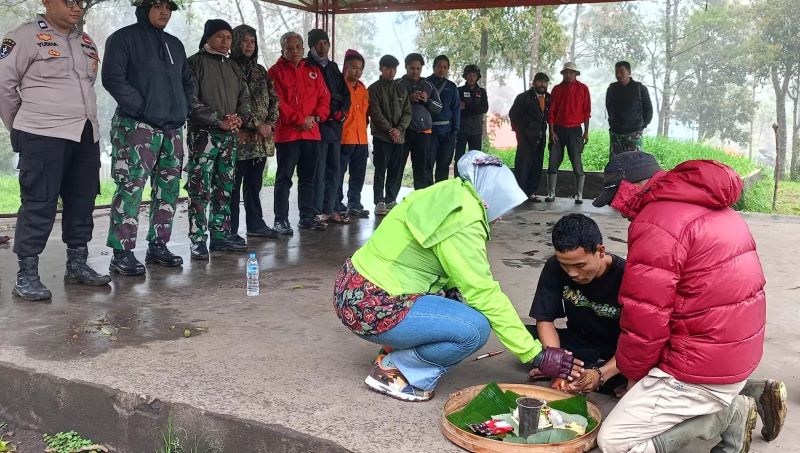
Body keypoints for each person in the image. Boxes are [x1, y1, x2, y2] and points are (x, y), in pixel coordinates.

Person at [333, 150, 582, 402]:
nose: (502, 215)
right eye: (501, 203)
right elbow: (484, 293)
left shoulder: (449, 193)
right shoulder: (464, 216)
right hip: (374, 304)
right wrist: (536, 355)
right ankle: (398, 371)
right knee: (473, 329)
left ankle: (393, 349)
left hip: (354, 289)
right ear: (488, 196)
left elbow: (444, 263)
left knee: (456, 304)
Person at [592, 152, 786, 453]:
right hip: (739, 354)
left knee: (613, 442)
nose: (618, 211)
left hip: (703, 367)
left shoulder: (655, 221)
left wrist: (634, 378)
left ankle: (728, 413)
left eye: (615, 197)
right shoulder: (712, 204)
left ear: (630, 187)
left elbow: (645, 323)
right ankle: (736, 397)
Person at [0, 0, 111, 300]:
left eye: (79, 2)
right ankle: (27, 275)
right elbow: (4, 85)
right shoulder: (23, 37)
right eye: (68, 1)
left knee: (83, 200)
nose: (76, 7)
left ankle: (76, 265)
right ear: (47, 2)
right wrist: (21, 127)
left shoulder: (86, 41)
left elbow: (87, 85)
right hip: (42, 133)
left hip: (85, 133)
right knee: (39, 202)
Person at [102, 0, 190, 276]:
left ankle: (158, 246)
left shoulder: (175, 44)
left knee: (169, 190)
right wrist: (143, 108)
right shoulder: (123, 39)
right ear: (143, 7)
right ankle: (122, 252)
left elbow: (188, 81)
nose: (165, 12)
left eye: (169, 8)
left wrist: (181, 109)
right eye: (158, 6)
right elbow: (112, 78)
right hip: (136, 127)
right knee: (130, 187)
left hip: (172, 129)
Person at [526, 213, 627, 395]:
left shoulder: (627, 275)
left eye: (579, 265)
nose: (572, 273)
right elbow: (545, 319)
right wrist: (556, 363)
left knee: (645, 360)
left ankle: (601, 373)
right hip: (579, 341)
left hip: (618, 348)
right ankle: (579, 370)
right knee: (525, 338)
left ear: (601, 251)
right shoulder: (554, 266)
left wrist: (600, 374)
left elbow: (639, 339)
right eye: (565, 265)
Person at [186, 19, 251, 259]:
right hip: (203, 136)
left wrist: (239, 119)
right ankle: (198, 239)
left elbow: (245, 99)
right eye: (220, 36)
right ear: (208, 38)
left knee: (224, 187)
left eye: (228, 37)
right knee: (200, 187)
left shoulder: (233, 66)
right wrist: (217, 120)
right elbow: (190, 100)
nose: (225, 41)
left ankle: (220, 236)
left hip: (229, 137)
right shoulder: (195, 63)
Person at [268, 31, 330, 234]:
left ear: (304, 49)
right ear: (282, 50)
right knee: (284, 178)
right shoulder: (275, 72)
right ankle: (281, 220)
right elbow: (277, 102)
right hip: (287, 135)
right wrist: (299, 120)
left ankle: (306, 217)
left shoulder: (313, 70)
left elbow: (324, 98)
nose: (294, 50)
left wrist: (315, 118)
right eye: (289, 47)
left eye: (297, 46)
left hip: (312, 133)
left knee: (308, 178)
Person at [229, 24, 280, 242]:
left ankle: (255, 224)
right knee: (232, 187)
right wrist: (255, 125)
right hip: (238, 139)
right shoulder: (229, 67)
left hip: (260, 141)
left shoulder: (260, 70)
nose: (249, 45)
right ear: (236, 42)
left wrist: (269, 124)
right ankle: (229, 229)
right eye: (244, 41)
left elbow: (273, 99)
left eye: (252, 41)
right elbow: (232, 103)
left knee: (254, 186)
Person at [306, 29, 350, 226]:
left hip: (335, 127)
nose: (323, 47)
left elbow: (344, 93)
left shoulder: (332, 67)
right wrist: (328, 112)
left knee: (334, 168)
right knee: (319, 170)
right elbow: (313, 97)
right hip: (319, 125)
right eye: (319, 43)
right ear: (312, 45)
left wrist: (342, 112)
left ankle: (330, 209)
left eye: (326, 43)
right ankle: (317, 211)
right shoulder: (307, 66)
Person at [368, 54, 411, 217]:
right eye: (388, 68)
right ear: (381, 69)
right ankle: (379, 201)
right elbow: (375, 113)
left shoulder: (401, 88)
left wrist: (399, 129)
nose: (391, 72)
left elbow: (407, 112)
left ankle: (391, 199)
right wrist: (390, 130)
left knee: (396, 169)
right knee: (380, 169)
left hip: (399, 138)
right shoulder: (373, 89)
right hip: (382, 137)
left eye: (394, 68)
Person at [397, 53, 442, 191]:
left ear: (422, 68)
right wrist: (408, 99)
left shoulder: (428, 85)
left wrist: (427, 101)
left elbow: (439, 108)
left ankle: (422, 199)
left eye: (418, 68)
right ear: (406, 67)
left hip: (423, 133)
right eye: (412, 68)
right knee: (397, 167)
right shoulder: (398, 84)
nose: (415, 71)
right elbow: (392, 108)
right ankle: (390, 201)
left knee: (422, 169)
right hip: (403, 133)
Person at [547, 62, 590, 204]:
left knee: (577, 162)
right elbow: (551, 112)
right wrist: (552, 131)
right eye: (566, 72)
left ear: (575, 74)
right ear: (563, 74)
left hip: (575, 129)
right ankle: (551, 194)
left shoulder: (583, 89)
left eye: (571, 72)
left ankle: (579, 195)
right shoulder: (557, 89)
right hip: (558, 129)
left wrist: (586, 132)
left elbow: (586, 111)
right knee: (553, 161)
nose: (568, 74)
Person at [335, 49, 370, 220]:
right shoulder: (339, 86)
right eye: (354, 67)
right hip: (344, 138)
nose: (357, 71)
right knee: (338, 174)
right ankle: (337, 204)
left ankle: (354, 203)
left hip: (361, 139)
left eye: (360, 68)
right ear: (346, 67)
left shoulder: (363, 89)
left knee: (358, 174)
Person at [509, 72, 550, 202]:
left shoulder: (549, 98)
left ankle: (530, 192)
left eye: (545, 82)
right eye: (539, 81)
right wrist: (519, 132)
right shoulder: (524, 97)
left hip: (540, 136)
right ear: (534, 83)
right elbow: (513, 115)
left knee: (536, 165)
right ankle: (518, 194)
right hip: (525, 137)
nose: (542, 84)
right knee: (523, 165)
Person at [605, 61, 652, 157]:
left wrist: (641, 126)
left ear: (629, 72)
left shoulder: (639, 88)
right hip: (616, 132)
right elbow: (609, 106)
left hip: (634, 132)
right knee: (616, 163)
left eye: (621, 72)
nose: (618, 75)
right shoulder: (612, 88)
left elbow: (648, 110)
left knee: (634, 162)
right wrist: (613, 122)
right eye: (616, 72)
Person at [426, 55, 461, 182]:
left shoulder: (452, 87)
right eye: (439, 66)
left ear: (448, 69)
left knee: (443, 166)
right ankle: (428, 196)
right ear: (434, 67)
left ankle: (441, 196)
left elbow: (456, 109)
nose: (442, 69)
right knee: (427, 165)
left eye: (445, 67)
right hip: (429, 131)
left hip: (447, 131)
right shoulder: (425, 83)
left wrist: (455, 130)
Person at [454, 64, 488, 176]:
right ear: (465, 76)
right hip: (462, 129)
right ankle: (457, 180)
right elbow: (457, 108)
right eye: (469, 75)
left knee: (476, 158)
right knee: (459, 157)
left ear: (477, 76)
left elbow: (483, 108)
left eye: (474, 75)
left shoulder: (482, 92)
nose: (472, 77)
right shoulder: (459, 90)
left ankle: (474, 181)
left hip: (476, 130)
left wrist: (467, 106)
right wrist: (473, 108)